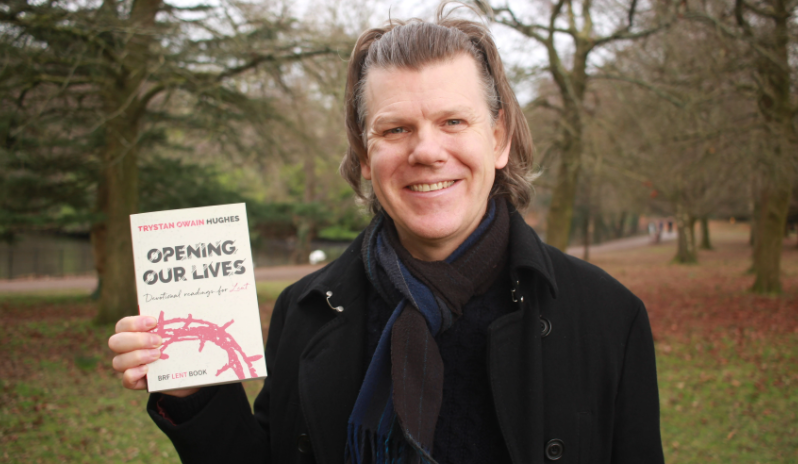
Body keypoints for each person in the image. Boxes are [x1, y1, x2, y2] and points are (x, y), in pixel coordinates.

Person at [109, 7, 664, 464]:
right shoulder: (306, 312)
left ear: (498, 140)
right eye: (396, 129)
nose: (426, 151)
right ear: (365, 157)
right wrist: (196, 394)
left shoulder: (608, 318)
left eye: (453, 121)